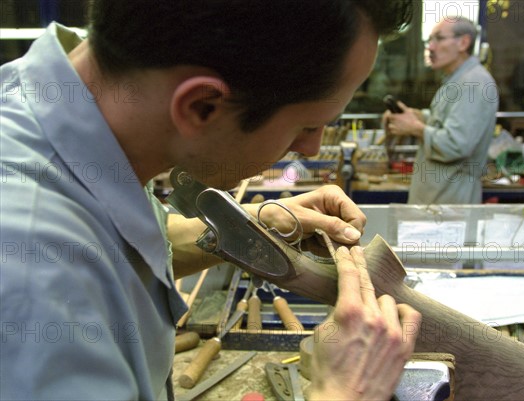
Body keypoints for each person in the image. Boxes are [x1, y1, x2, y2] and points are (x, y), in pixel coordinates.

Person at [0, 1, 421, 400]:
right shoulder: (35, 278)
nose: (310, 150)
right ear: (202, 106)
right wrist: (345, 390)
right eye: (307, 126)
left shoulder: (79, 98)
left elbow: (119, 250)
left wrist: (248, 225)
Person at [383, 16, 499, 204]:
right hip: (438, 199)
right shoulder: (457, 80)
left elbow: (456, 144)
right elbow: (448, 120)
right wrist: (418, 116)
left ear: (463, 42)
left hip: (449, 203)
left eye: (438, 39)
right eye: (430, 40)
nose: (431, 47)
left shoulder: (473, 83)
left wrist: (415, 128)